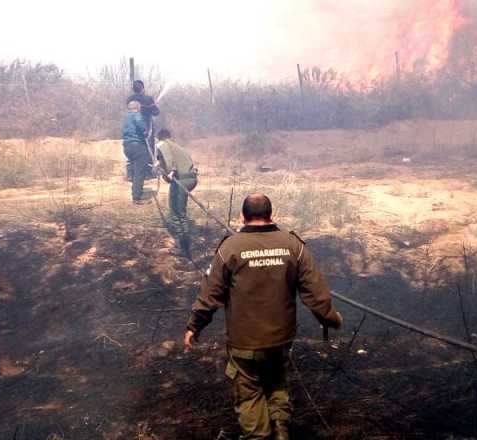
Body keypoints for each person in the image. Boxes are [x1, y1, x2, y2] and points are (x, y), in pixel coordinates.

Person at [184, 194, 343, 440]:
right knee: (277, 379)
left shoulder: (230, 248)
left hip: (244, 342)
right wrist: (331, 318)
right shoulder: (293, 245)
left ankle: (259, 436)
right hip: (281, 338)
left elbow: (210, 293)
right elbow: (315, 292)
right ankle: (280, 428)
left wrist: (195, 326)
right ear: (272, 215)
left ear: (242, 216)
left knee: (249, 394)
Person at [155, 128, 197, 256]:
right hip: (191, 179)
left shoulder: (162, 144)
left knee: (177, 213)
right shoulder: (178, 147)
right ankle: (185, 243)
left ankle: (183, 247)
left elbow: (169, 168)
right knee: (178, 210)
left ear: (159, 138)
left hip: (181, 180)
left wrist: (164, 170)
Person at [125, 80, 160, 179]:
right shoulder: (148, 99)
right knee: (148, 149)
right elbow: (156, 112)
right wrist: (153, 105)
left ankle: (131, 174)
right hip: (146, 128)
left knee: (133, 149)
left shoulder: (129, 99)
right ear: (143, 88)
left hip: (132, 128)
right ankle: (147, 173)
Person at [122, 100, 150, 204]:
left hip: (127, 146)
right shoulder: (136, 114)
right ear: (137, 107)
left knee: (134, 169)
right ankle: (137, 197)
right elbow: (140, 124)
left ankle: (133, 183)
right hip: (137, 145)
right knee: (140, 171)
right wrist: (145, 131)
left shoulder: (126, 117)